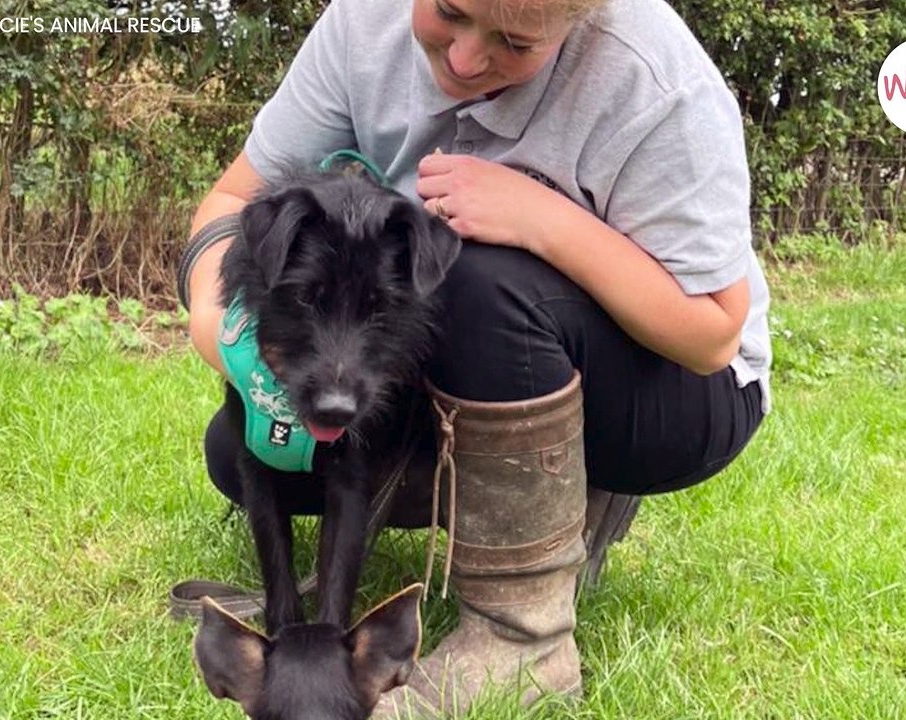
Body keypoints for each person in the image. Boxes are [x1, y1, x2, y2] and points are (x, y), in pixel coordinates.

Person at [181, 0, 771, 715]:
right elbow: (235, 197)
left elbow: (711, 334)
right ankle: (535, 512)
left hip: (675, 395)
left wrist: (542, 219)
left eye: (515, 42)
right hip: (465, 365)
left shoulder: (653, 80)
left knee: (469, 270)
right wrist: (218, 324)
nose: (463, 58)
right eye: (449, 11)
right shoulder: (364, 23)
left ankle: (525, 637)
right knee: (249, 449)